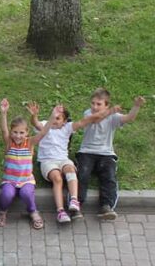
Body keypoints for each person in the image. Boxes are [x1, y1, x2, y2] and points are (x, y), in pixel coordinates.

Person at [29, 102, 109, 223]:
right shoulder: (46, 125)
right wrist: (34, 115)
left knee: (71, 170)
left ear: (65, 121)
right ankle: (60, 211)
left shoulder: (67, 128)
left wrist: (102, 113)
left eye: (58, 118)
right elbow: (35, 123)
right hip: (47, 161)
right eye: (53, 116)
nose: (55, 120)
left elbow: (83, 122)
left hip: (63, 160)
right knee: (57, 178)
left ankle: (74, 200)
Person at [76, 89, 146, 220]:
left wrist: (136, 106)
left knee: (109, 176)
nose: (94, 107)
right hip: (86, 152)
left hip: (106, 153)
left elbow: (129, 118)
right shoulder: (88, 113)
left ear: (106, 105)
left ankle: (106, 206)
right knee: (82, 174)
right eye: (93, 103)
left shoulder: (113, 116)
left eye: (99, 104)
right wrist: (111, 111)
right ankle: (77, 204)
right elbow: (96, 120)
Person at [0, 99, 58, 229]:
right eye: (15, 132)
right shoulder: (9, 143)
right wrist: (3, 113)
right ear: (12, 132)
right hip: (10, 181)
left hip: (26, 181)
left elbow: (43, 132)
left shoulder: (29, 143)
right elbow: (4, 130)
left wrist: (52, 117)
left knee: (27, 194)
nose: (18, 136)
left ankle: (33, 211)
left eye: (22, 133)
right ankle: (2, 211)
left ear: (27, 132)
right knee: (6, 195)